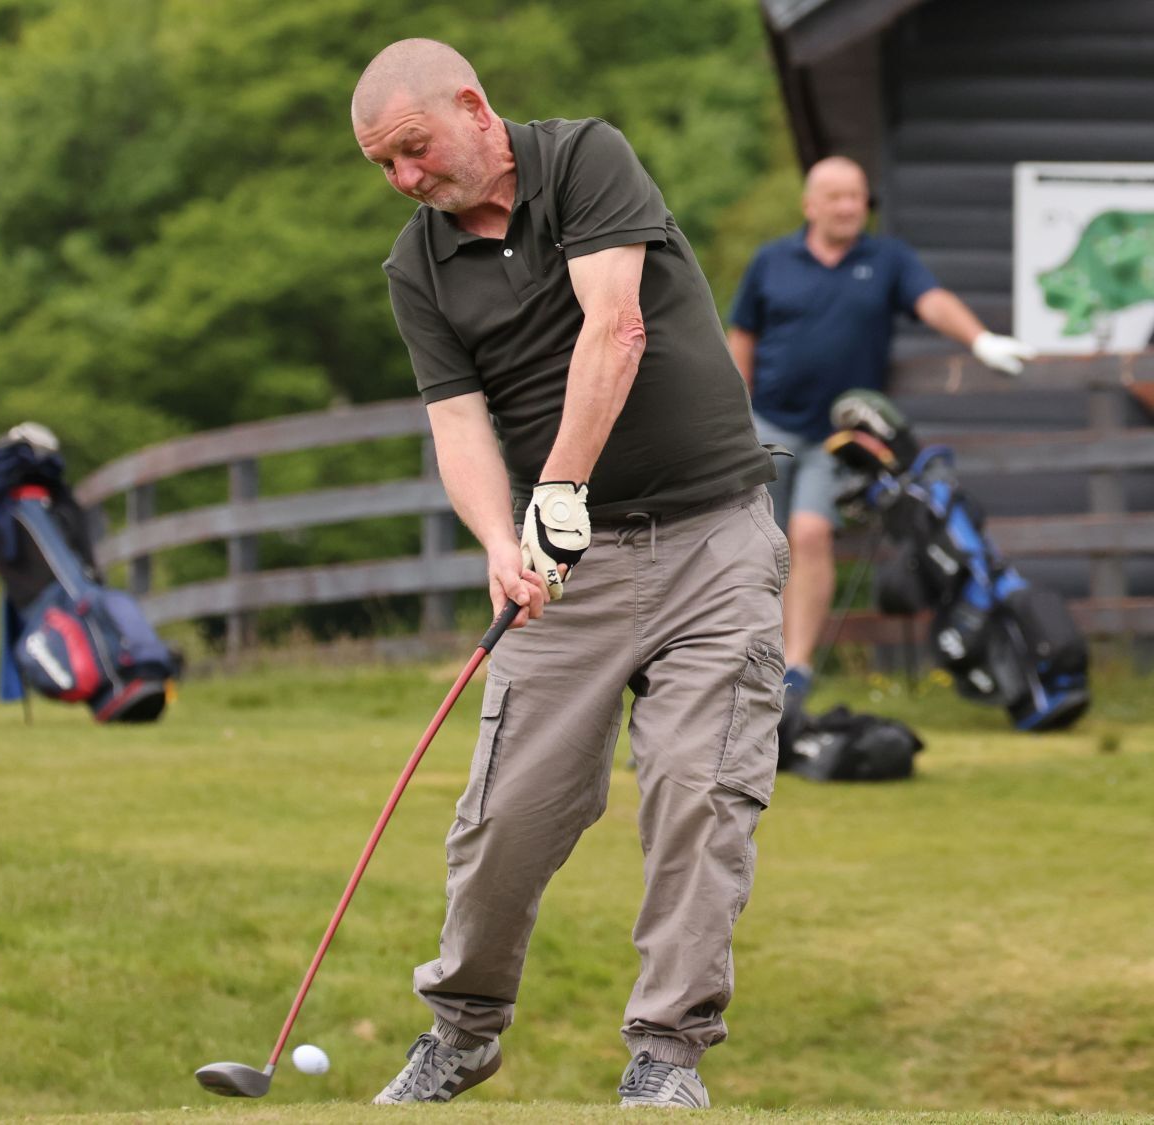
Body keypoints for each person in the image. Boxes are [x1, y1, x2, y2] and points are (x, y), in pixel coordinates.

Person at [352, 38, 787, 1109]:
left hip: (712, 542)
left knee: (699, 792)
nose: (404, 178)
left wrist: (557, 488)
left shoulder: (584, 159)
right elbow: (458, 424)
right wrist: (501, 543)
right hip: (561, 577)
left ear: (472, 107)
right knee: (508, 813)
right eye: (385, 165)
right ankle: (462, 1032)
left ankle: (666, 1055)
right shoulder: (418, 266)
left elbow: (617, 326)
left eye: (413, 148)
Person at [726, 156, 1035, 709]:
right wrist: (734, 408)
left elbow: (933, 302)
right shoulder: (772, 261)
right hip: (768, 426)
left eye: (857, 197)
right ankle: (746, 661)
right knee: (755, 544)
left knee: (811, 534)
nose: (849, 207)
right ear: (810, 205)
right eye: (837, 197)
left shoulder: (887, 259)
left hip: (839, 438)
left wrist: (981, 340)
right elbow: (743, 334)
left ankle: (796, 669)